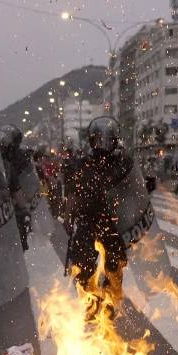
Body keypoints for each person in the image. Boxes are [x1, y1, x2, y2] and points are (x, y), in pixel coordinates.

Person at [64, 116, 132, 319]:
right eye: (98, 139)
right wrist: (69, 215)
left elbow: (133, 192)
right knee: (83, 264)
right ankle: (91, 301)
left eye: (106, 139)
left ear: (114, 139)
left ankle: (110, 302)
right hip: (87, 219)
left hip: (113, 222)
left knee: (114, 265)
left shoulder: (123, 163)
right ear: (92, 140)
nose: (102, 144)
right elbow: (74, 192)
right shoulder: (83, 163)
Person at [0, 124, 35, 250]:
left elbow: (30, 180)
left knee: (19, 242)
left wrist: (26, 204)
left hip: (16, 205)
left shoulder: (22, 157)